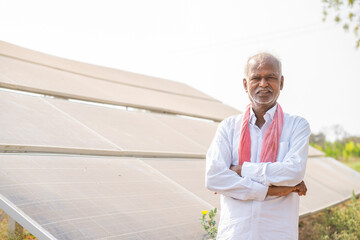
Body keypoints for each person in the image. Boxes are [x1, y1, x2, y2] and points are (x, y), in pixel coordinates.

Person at [205, 52, 311, 240]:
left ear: (281, 82)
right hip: (236, 233)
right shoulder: (229, 128)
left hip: (277, 233)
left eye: (271, 77)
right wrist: (271, 190)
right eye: (256, 78)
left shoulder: (297, 126)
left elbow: (293, 173)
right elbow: (214, 177)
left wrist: (241, 170)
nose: (263, 84)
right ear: (245, 84)